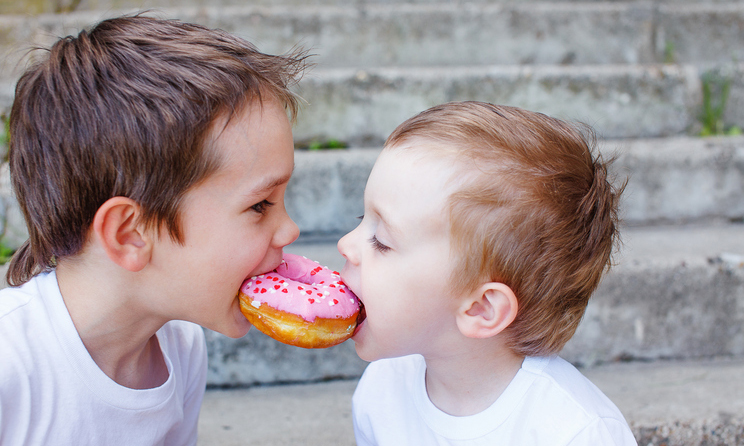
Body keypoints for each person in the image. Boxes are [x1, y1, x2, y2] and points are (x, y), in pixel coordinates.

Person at [0, 15, 308, 444]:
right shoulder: (11, 365)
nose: (289, 231)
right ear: (130, 234)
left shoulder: (180, 346)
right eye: (260, 205)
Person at [338, 101, 637, 445]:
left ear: (481, 308)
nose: (346, 244)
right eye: (362, 221)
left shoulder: (575, 433)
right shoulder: (381, 391)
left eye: (382, 241)